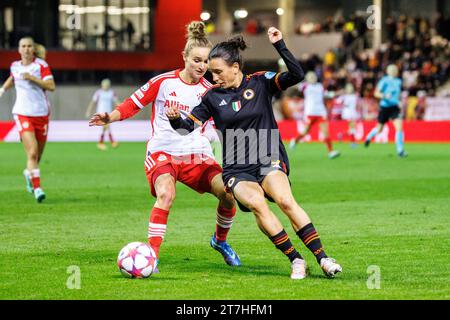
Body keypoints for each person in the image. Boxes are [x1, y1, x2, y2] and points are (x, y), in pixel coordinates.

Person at [166, 27, 342, 279]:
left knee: (285, 200)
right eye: (211, 72)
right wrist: (175, 120)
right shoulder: (212, 98)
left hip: (268, 156)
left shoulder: (260, 82)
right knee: (258, 204)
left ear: (235, 67)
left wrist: (279, 44)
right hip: (237, 167)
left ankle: (323, 258)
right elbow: (186, 129)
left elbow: (297, 74)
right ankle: (296, 259)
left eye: (218, 71)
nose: (213, 77)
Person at [88, 21, 240, 270]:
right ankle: (152, 257)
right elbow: (132, 103)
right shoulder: (163, 82)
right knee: (166, 195)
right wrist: (110, 117)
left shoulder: (211, 91)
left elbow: (221, 123)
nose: (202, 66)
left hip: (196, 156)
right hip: (163, 152)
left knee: (228, 193)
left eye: (206, 62)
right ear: (184, 57)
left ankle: (220, 241)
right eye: (197, 60)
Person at [0, 37, 55, 202]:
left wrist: (32, 78)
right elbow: (13, 78)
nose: (26, 49)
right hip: (22, 113)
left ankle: (28, 173)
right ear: (19, 49)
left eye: (29, 46)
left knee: (37, 157)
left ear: (33, 49)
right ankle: (37, 188)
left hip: (41, 114)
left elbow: (51, 86)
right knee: (31, 152)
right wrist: (2, 89)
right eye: (23, 46)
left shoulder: (41, 66)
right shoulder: (15, 66)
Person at [289, 71, 341, 159]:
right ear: (308, 78)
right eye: (311, 77)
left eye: (314, 77)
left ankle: (331, 152)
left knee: (325, 132)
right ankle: (295, 141)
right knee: (306, 132)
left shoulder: (320, 86)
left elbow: (326, 95)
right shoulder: (305, 86)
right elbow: (294, 86)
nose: (313, 78)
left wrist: (336, 93)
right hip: (310, 112)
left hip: (321, 112)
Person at [364, 64, 407, 157]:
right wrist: (384, 96)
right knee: (379, 129)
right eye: (392, 70)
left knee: (399, 127)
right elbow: (376, 93)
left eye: (395, 70)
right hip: (385, 107)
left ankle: (400, 150)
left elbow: (398, 94)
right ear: (388, 71)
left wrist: (399, 101)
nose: (394, 71)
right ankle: (369, 137)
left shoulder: (398, 81)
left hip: (394, 108)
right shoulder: (384, 81)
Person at [86, 79, 120, 150]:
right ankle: (112, 141)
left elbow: (116, 101)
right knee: (106, 125)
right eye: (104, 85)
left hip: (108, 113)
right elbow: (93, 102)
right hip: (100, 112)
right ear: (102, 85)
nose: (105, 86)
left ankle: (101, 143)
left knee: (105, 127)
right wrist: (88, 111)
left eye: (107, 85)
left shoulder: (111, 93)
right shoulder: (98, 93)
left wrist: (122, 108)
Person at [337, 83, 360, 148]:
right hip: (347, 113)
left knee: (352, 127)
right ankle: (352, 142)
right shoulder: (344, 96)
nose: (350, 89)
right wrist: (343, 104)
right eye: (348, 88)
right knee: (352, 126)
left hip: (353, 112)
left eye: (351, 88)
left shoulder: (355, 96)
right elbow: (338, 101)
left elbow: (357, 104)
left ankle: (342, 135)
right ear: (346, 89)